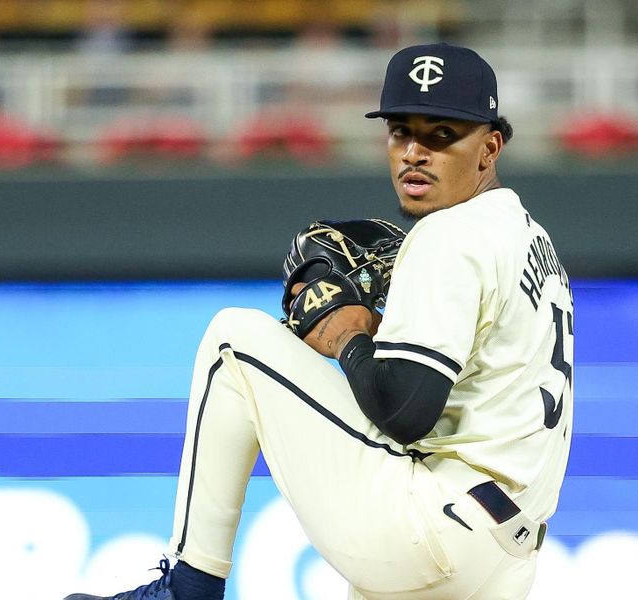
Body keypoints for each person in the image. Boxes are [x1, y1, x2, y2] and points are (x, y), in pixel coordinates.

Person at [65, 42, 574, 600]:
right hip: (507, 558)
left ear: (490, 147)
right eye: (401, 131)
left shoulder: (449, 234)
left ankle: (187, 588)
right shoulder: (531, 239)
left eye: (441, 135)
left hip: (437, 528)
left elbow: (407, 411)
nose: (414, 153)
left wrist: (348, 336)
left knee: (234, 342)